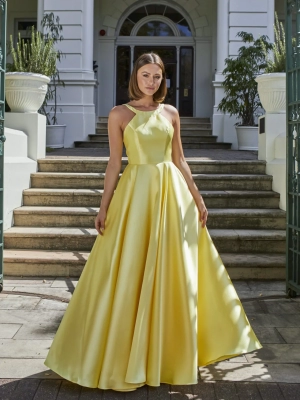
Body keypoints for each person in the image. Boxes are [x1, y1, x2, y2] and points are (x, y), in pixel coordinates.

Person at [44, 53, 262, 392]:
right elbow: (115, 164)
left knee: (174, 271)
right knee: (131, 268)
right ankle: (124, 354)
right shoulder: (119, 114)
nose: (152, 82)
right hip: (135, 195)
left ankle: (169, 355)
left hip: (172, 197)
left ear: (163, 80)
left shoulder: (171, 113)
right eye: (146, 75)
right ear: (135, 77)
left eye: (157, 77)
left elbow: (180, 160)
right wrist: (102, 207)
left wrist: (198, 198)